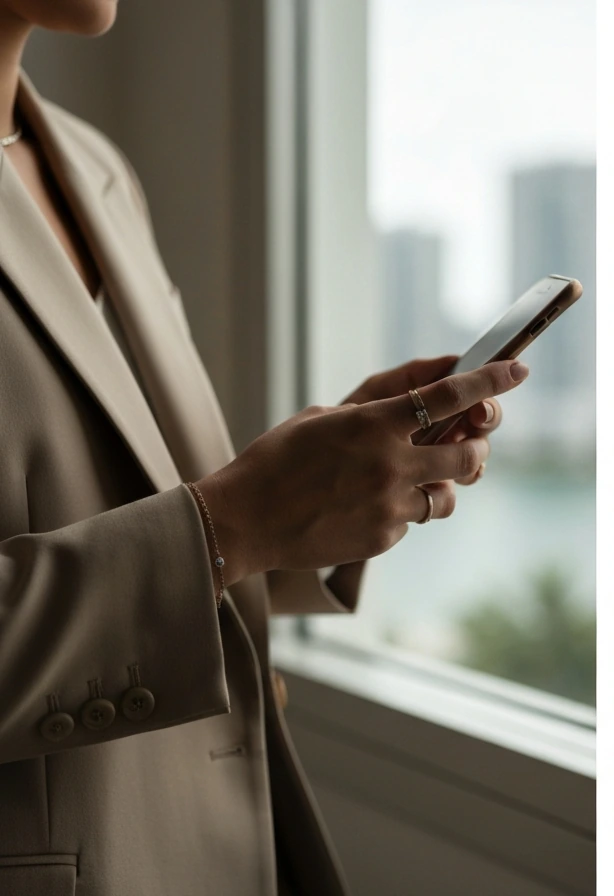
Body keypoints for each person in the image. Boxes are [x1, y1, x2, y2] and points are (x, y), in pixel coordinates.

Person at [0, 3, 525, 894]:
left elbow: (127, 510)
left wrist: (303, 501)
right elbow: (201, 530)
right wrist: (235, 522)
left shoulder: (93, 168)